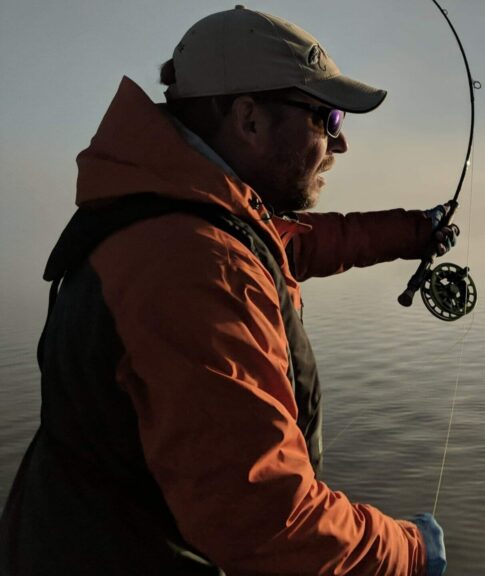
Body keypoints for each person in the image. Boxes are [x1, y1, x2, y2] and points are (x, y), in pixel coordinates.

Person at [0, 6, 452, 575]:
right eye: (327, 118)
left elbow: (290, 247)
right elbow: (270, 521)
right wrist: (411, 552)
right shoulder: (196, 264)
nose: (340, 146)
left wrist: (415, 232)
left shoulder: (185, 217)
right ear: (249, 119)